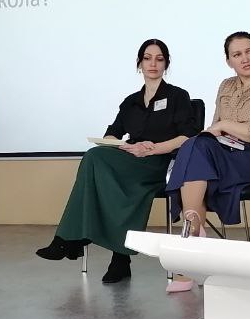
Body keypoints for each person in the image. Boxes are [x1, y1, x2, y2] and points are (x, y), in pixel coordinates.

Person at [36, 39, 198, 283]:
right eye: (147, 58)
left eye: (159, 59)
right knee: (95, 156)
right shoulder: (131, 101)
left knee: (101, 166)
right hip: (131, 160)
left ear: (166, 64)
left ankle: (73, 239)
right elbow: (112, 133)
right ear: (139, 63)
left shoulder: (178, 96)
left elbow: (188, 137)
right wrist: (123, 146)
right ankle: (114, 258)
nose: (153, 63)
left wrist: (152, 149)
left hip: (161, 163)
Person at [165, 31, 250, 291]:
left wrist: (225, 125)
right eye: (237, 54)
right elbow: (215, 130)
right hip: (227, 154)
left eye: (249, 51)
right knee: (197, 146)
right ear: (229, 61)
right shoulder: (226, 86)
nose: (245, 58)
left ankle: (191, 240)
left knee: (195, 147)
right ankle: (194, 228)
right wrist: (222, 129)